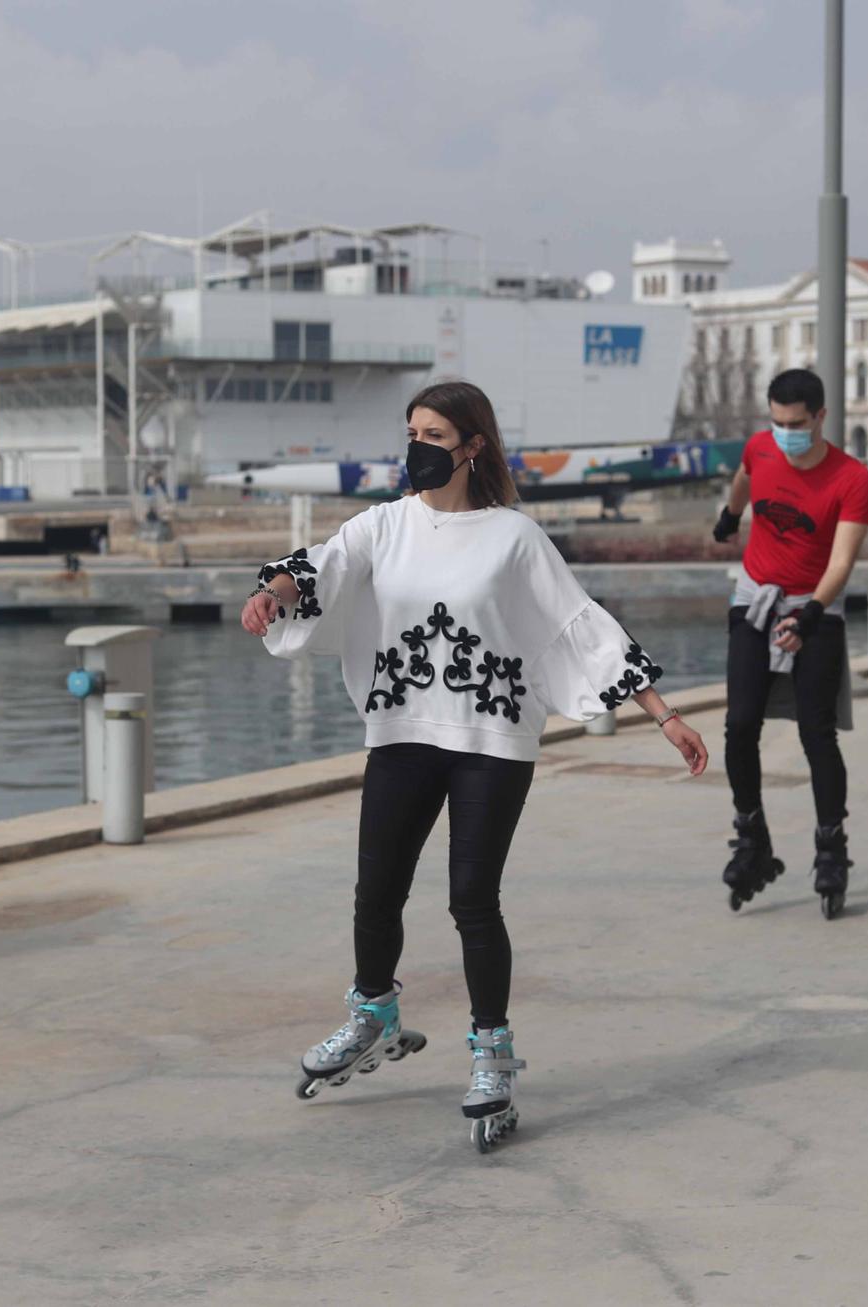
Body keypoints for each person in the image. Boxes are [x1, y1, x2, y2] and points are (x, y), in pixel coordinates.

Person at [245, 379, 709, 1152]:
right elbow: (319, 565)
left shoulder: (515, 537)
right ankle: (373, 1012)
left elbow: (578, 626)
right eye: (412, 431)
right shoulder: (383, 525)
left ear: (472, 446)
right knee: (377, 887)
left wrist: (663, 714)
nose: (417, 447)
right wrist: (274, 591)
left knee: (472, 900)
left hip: (492, 740)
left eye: (433, 434)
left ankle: (492, 1054)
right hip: (402, 728)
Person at [710, 368, 868, 920]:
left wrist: (808, 617)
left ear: (821, 417)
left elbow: (843, 562)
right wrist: (731, 516)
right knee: (739, 724)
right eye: (778, 423)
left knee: (816, 731)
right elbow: (743, 475)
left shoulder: (851, 478)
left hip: (816, 601)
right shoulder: (761, 448)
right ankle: (752, 838)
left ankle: (832, 848)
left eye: (796, 424)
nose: (785, 433)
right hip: (756, 594)